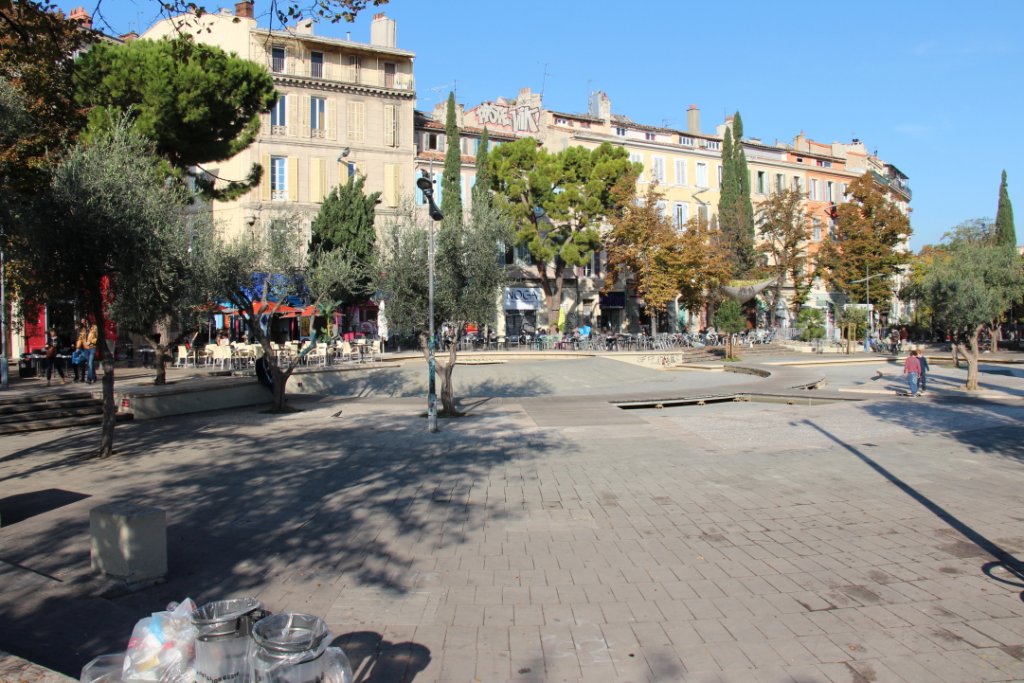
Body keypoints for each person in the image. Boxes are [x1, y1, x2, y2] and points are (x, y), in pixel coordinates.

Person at [82, 318, 98, 384]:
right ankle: (94, 377)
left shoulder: (94, 327)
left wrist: (91, 342)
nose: (83, 322)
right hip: (86, 348)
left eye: (84, 321)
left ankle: (89, 378)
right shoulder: (84, 329)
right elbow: (82, 338)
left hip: (92, 347)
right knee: (90, 363)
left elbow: (97, 337)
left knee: (90, 363)